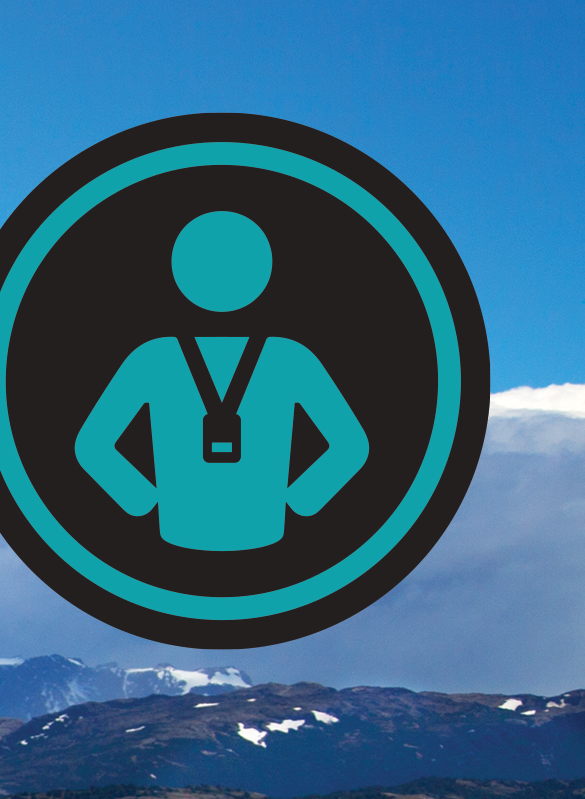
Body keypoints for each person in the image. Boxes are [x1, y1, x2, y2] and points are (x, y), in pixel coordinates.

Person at [73, 210, 367, 552]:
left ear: (182, 272)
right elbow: (351, 446)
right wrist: (299, 501)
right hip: (264, 526)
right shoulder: (291, 357)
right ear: (262, 272)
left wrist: (144, 502)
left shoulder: (152, 358)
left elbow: (92, 446)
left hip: (179, 526)